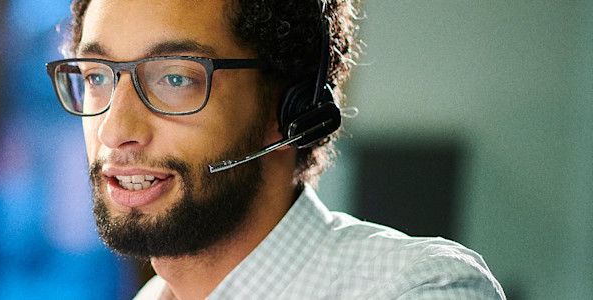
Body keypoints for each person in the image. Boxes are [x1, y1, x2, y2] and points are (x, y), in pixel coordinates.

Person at [44, 0, 505, 298]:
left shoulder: (415, 289)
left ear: (290, 105)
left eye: (175, 78)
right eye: (96, 77)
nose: (113, 130)